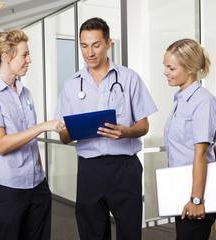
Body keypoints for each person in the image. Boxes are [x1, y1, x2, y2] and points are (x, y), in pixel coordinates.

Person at [54, 17, 157, 240]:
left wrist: (126, 132)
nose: (89, 52)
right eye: (84, 45)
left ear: (109, 43)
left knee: (129, 232)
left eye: (96, 45)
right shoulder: (71, 85)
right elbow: (62, 136)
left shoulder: (130, 78)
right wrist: (76, 129)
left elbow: (143, 125)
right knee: (92, 233)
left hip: (125, 168)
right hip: (89, 170)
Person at [0, 29, 65, 240]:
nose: (29, 60)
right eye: (24, 55)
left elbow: (29, 141)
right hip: (6, 191)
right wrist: (41, 127)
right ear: (6, 57)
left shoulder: (25, 93)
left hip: (36, 186)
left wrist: (41, 176)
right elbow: (1, 144)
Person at [163, 38, 216, 240]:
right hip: (182, 189)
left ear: (189, 69)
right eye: (165, 67)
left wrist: (196, 200)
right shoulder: (180, 100)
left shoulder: (203, 102)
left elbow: (201, 153)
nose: (165, 72)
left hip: (197, 194)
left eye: (170, 68)